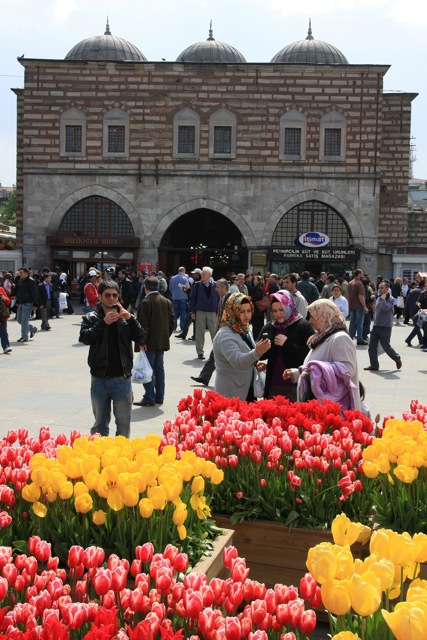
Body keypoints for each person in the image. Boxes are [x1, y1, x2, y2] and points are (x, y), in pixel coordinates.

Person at [79, 279, 146, 438]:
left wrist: (130, 319)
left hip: (121, 379)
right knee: (100, 425)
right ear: (99, 296)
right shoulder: (91, 317)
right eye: (107, 295)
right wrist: (103, 323)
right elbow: (85, 338)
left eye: (114, 295)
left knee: (123, 424)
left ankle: (121, 458)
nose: (111, 298)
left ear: (118, 297)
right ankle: (101, 457)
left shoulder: (126, 317)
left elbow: (142, 338)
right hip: (99, 378)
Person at [283, 299, 361, 410]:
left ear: (324, 316)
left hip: (335, 408)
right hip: (321, 406)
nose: (310, 320)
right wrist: (298, 373)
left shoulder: (340, 338)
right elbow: (316, 366)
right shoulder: (323, 336)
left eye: (313, 316)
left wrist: (317, 369)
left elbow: (348, 370)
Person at [257, 290, 315, 401]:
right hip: (273, 385)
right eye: (274, 311)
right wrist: (261, 359)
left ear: (289, 307)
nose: (278, 314)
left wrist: (287, 344)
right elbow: (260, 355)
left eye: (281, 310)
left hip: (296, 386)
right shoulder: (269, 327)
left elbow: (311, 355)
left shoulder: (303, 326)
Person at [213, 293, 271, 401]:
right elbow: (237, 360)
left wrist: (256, 362)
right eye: (241, 311)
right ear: (232, 311)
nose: (246, 315)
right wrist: (256, 353)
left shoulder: (243, 329)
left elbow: (247, 354)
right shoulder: (225, 335)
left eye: (249, 311)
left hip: (246, 388)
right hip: (230, 392)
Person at [133, 276, 174, 407]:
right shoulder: (166, 301)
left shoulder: (146, 302)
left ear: (145, 287)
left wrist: (141, 341)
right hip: (161, 341)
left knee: (147, 369)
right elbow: (172, 322)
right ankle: (159, 396)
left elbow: (142, 324)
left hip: (149, 342)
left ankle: (149, 396)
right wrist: (166, 336)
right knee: (159, 368)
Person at [191, 278, 231, 387]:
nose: (215, 289)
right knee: (214, 355)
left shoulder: (231, 299)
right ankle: (204, 377)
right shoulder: (221, 299)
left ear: (223, 288)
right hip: (221, 333)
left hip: (228, 335)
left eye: (217, 287)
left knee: (225, 358)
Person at [364, 280, 402, 372]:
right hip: (376, 326)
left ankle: (397, 358)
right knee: (372, 346)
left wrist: (383, 299)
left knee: (386, 346)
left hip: (385, 327)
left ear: (387, 289)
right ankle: (374, 365)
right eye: (379, 288)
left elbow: (385, 308)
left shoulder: (391, 299)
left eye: (382, 288)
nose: (380, 290)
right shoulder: (378, 298)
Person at [189, 266, 219, 359]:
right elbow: (192, 299)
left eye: (204, 274)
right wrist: (193, 312)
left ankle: (216, 352)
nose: (202, 275)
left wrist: (219, 312)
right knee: (199, 332)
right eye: (202, 274)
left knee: (215, 333)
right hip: (200, 311)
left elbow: (219, 299)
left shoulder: (216, 285)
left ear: (209, 275)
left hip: (212, 311)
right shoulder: (197, 285)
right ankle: (200, 352)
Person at [15, 267, 39, 342]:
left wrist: (35, 304)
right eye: (19, 273)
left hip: (28, 303)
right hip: (21, 303)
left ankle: (24, 337)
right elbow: (19, 292)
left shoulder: (31, 281)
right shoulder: (20, 281)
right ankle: (32, 328)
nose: (20, 274)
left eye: (21, 273)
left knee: (24, 320)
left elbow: (34, 293)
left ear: (26, 273)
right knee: (19, 320)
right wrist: (17, 301)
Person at [347, 269, 369, 345]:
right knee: (359, 323)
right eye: (361, 274)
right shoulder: (359, 284)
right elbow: (361, 296)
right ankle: (360, 339)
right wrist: (365, 306)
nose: (362, 275)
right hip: (358, 305)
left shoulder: (350, 283)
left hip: (351, 305)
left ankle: (350, 337)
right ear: (359, 274)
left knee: (352, 322)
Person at [169, 266, 190, 331]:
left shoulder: (172, 278)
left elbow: (170, 288)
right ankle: (182, 327)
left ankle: (174, 326)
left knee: (175, 313)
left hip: (175, 297)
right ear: (183, 271)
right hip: (183, 297)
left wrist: (174, 293)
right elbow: (187, 288)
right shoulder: (184, 278)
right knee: (182, 313)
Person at [404, 280, 424, 346]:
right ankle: (409, 339)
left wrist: (405, 311)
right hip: (421, 312)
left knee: (417, 326)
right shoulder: (423, 292)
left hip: (412, 311)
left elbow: (407, 302)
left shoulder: (412, 291)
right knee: (417, 327)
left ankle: (421, 340)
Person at [0, 285, 12, 354]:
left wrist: (4, 298)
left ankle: (6, 347)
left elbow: (8, 301)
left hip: (2, 315)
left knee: (3, 331)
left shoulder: (1, 289)